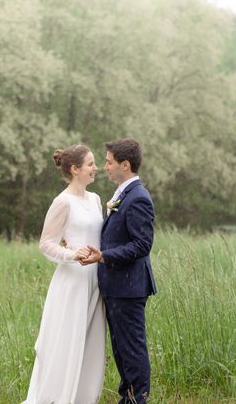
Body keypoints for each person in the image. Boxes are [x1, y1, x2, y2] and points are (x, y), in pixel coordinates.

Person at [22, 144, 106, 404]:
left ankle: (83, 398)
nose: (96, 168)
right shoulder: (62, 201)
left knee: (90, 343)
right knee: (67, 343)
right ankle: (56, 397)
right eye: (90, 164)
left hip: (95, 280)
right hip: (72, 282)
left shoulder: (95, 199)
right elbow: (46, 243)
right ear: (75, 169)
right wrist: (72, 254)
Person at [81, 138, 157, 404]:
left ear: (125, 165)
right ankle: (128, 397)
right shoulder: (123, 194)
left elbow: (142, 245)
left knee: (132, 349)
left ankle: (137, 401)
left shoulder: (138, 198)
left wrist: (104, 256)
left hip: (129, 287)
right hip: (117, 286)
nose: (104, 167)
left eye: (109, 162)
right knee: (122, 350)